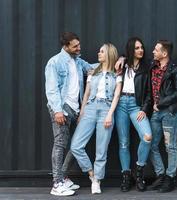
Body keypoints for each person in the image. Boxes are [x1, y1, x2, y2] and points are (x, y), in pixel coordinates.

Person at [45, 32, 95, 196]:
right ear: (65, 46)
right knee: (60, 144)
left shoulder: (78, 61)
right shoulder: (55, 62)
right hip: (62, 108)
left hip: (75, 109)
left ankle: (63, 176)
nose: (79, 48)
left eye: (79, 45)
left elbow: (94, 68)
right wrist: (58, 110)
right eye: (75, 46)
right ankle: (57, 183)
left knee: (76, 144)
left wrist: (118, 60)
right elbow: (51, 89)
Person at [70, 43, 122, 194]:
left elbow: (117, 96)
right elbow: (86, 94)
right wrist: (82, 113)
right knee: (76, 146)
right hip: (90, 109)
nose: (98, 53)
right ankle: (91, 174)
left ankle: (97, 181)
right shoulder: (93, 71)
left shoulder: (117, 73)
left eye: (102, 52)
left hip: (106, 109)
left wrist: (110, 114)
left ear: (109, 54)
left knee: (101, 149)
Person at [115, 37, 152, 192]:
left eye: (142, 47)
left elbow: (150, 92)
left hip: (137, 106)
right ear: (131, 49)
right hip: (121, 103)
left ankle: (139, 171)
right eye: (137, 48)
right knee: (124, 143)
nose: (141, 50)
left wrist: (144, 109)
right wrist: (122, 58)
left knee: (147, 136)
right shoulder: (122, 66)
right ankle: (126, 175)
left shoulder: (147, 67)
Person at [148, 40, 177, 193]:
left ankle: (170, 177)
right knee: (150, 144)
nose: (153, 52)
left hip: (170, 111)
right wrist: (122, 58)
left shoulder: (175, 70)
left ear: (164, 53)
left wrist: (161, 103)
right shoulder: (152, 66)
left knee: (170, 146)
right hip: (156, 113)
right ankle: (161, 174)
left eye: (156, 50)